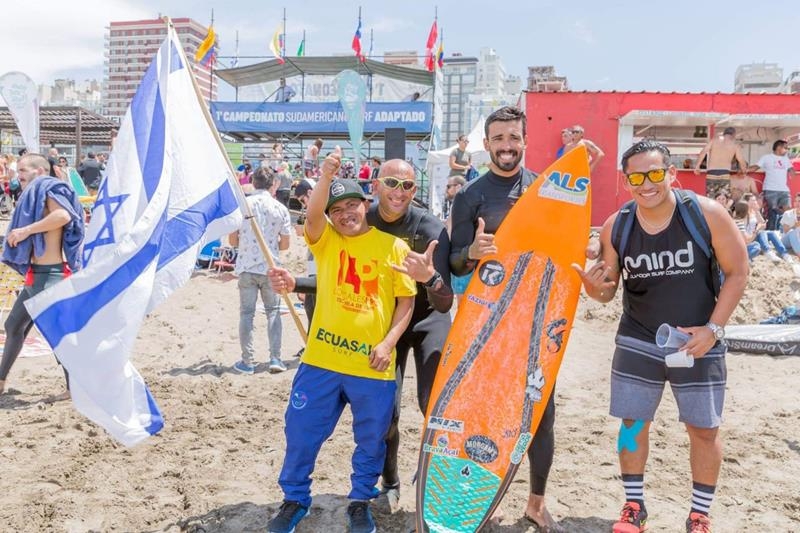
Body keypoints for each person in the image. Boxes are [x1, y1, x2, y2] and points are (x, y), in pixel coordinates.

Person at [574, 140, 748, 533]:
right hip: (638, 339)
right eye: (636, 176)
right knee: (633, 424)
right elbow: (606, 292)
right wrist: (591, 288)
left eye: (655, 173)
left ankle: (699, 514)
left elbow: (738, 272)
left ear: (671, 173)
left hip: (698, 338)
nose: (646, 183)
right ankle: (634, 507)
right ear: (626, 180)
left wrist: (713, 330)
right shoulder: (617, 225)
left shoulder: (706, 214)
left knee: (704, 430)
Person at [268, 158, 454, 511]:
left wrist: (431, 276)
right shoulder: (348, 224)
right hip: (382, 323)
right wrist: (296, 284)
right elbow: (331, 273)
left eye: (408, 186)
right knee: (388, 415)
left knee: (434, 404)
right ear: (376, 188)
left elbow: (444, 300)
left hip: (425, 315)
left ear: (415, 190)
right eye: (391, 184)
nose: (399, 192)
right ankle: (391, 483)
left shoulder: (428, 228)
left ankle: (435, 481)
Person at [448, 105, 561, 531]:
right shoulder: (470, 195)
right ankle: (476, 495)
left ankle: (535, 502)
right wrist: (471, 254)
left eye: (514, 138)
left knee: (540, 415)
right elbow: (455, 264)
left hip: (536, 322)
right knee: (480, 414)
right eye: (498, 139)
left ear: (525, 141)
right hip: (487, 326)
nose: (507, 146)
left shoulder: (546, 189)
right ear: (486, 144)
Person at [0, 153, 85, 398]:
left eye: (24, 169)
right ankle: (2, 379)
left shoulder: (47, 188)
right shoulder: (37, 192)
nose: (18, 173)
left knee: (57, 334)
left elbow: (63, 216)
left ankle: (75, 387)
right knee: (14, 325)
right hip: (37, 275)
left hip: (49, 275)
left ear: (39, 171)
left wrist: (26, 230)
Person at [228, 167, 292, 375]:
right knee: (273, 312)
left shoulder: (243, 206)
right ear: (273, 184)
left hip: (247, 265)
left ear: (253, 183)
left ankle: (248, 361)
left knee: (246, 314)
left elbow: (232, 240)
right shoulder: (279, 208)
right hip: (270, 266)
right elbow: (285, 245)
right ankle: (275, 357)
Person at [748, 139, 796, 230]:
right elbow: (755, 167)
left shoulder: (786, 159)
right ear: (779, 147)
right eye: (786, 148)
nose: (787, 150)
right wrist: (744, 169)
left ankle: (787, 231)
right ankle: (771, 233)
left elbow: (792, 170)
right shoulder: (766, 157)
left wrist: (791, 171)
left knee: (788, 211)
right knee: (772, 212)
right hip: (770, 189)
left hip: (784, 190)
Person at [693, 127, 748, 200]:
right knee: (723, 199)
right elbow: (741, 160)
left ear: (724, 133)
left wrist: (697, 166)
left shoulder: (714, 141)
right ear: (733, 135)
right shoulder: (735, 145)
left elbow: (703, 151)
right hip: (724, 174)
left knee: (710, 199)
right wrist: (744, 171)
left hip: (711, 174)